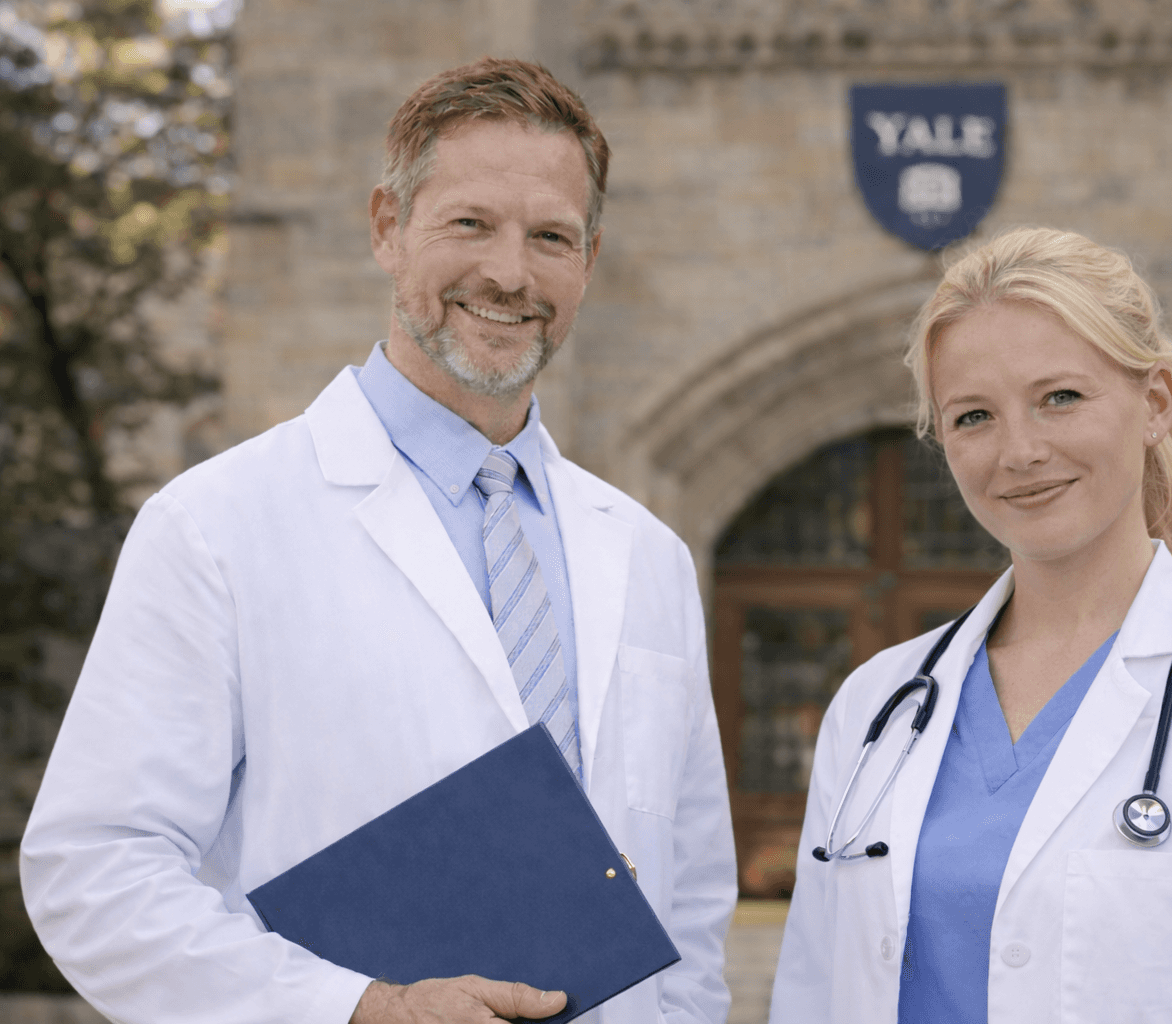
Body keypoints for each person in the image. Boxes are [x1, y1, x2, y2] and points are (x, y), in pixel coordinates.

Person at [21, 58, 735, 1024]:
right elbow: (94, 870)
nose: (510, 273)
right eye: (469, 223)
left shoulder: (649, 556)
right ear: (387, 228)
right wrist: (361, 1008)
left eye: (551, 237)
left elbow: (690, 894)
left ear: (590, 260)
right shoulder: (216, 527)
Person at [769, 227, 1172, 1023]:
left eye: (1060, 398)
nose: (1020, 451)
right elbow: (812, 996)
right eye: (973, 416)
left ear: (1155, 404)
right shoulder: (875, 706)